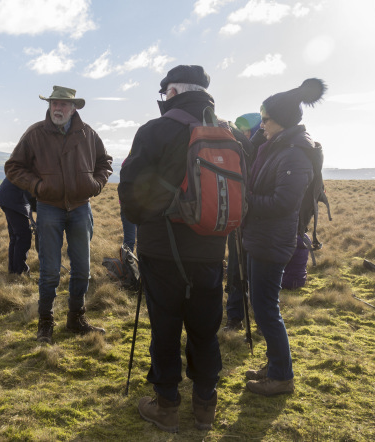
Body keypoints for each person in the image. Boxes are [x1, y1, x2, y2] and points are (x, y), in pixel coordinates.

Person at [120, 65, 250, 432]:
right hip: (212, 249)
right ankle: (205, 406)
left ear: (172, 92)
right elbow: (245, 193)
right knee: (205, 328)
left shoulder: (155, 131)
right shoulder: (232, 135)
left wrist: (146, 216)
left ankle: (166, 406)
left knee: (165, 327)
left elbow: (130, 193)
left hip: (161, 250)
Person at [5, 86, 113, 345]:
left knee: (83, 270)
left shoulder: (88, 134)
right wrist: (38, 187)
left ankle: (76, 319)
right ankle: (46, 324)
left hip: (80, 207)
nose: (58, 108)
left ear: (73, 107)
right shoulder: (35, 134)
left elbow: (105, 162)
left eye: (63, 104)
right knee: (50, 271)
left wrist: (96, 184)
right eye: (54, 103)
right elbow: (13, 167)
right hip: (49, 207)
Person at [242, 78, 326, 398]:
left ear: (283, 121)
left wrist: (246, 202)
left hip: (271, 241)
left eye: (266, 119)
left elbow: (283, 203)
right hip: (261, 237)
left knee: (266, 310)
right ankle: (274, 365)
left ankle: (281, 376)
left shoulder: (294, 154)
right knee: (264, 306)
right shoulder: (276, 147)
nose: (261, 124)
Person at [223, 113, 258, 331]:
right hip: (239, 222)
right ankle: (235, 317)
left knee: (250, 272)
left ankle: (244, 317)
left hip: (254, 223)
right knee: (236, 270)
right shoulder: (242, 150)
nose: (243, 135)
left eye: (245, 130)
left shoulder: (258, 151)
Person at [0, 177, 36, 275]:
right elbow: (33, 194)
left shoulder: (32, 164)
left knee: (16, 236)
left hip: (7, 197)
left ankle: (13, 270)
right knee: (23, 236)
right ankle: (19, 271)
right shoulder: (37, 166)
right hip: (14, 199)